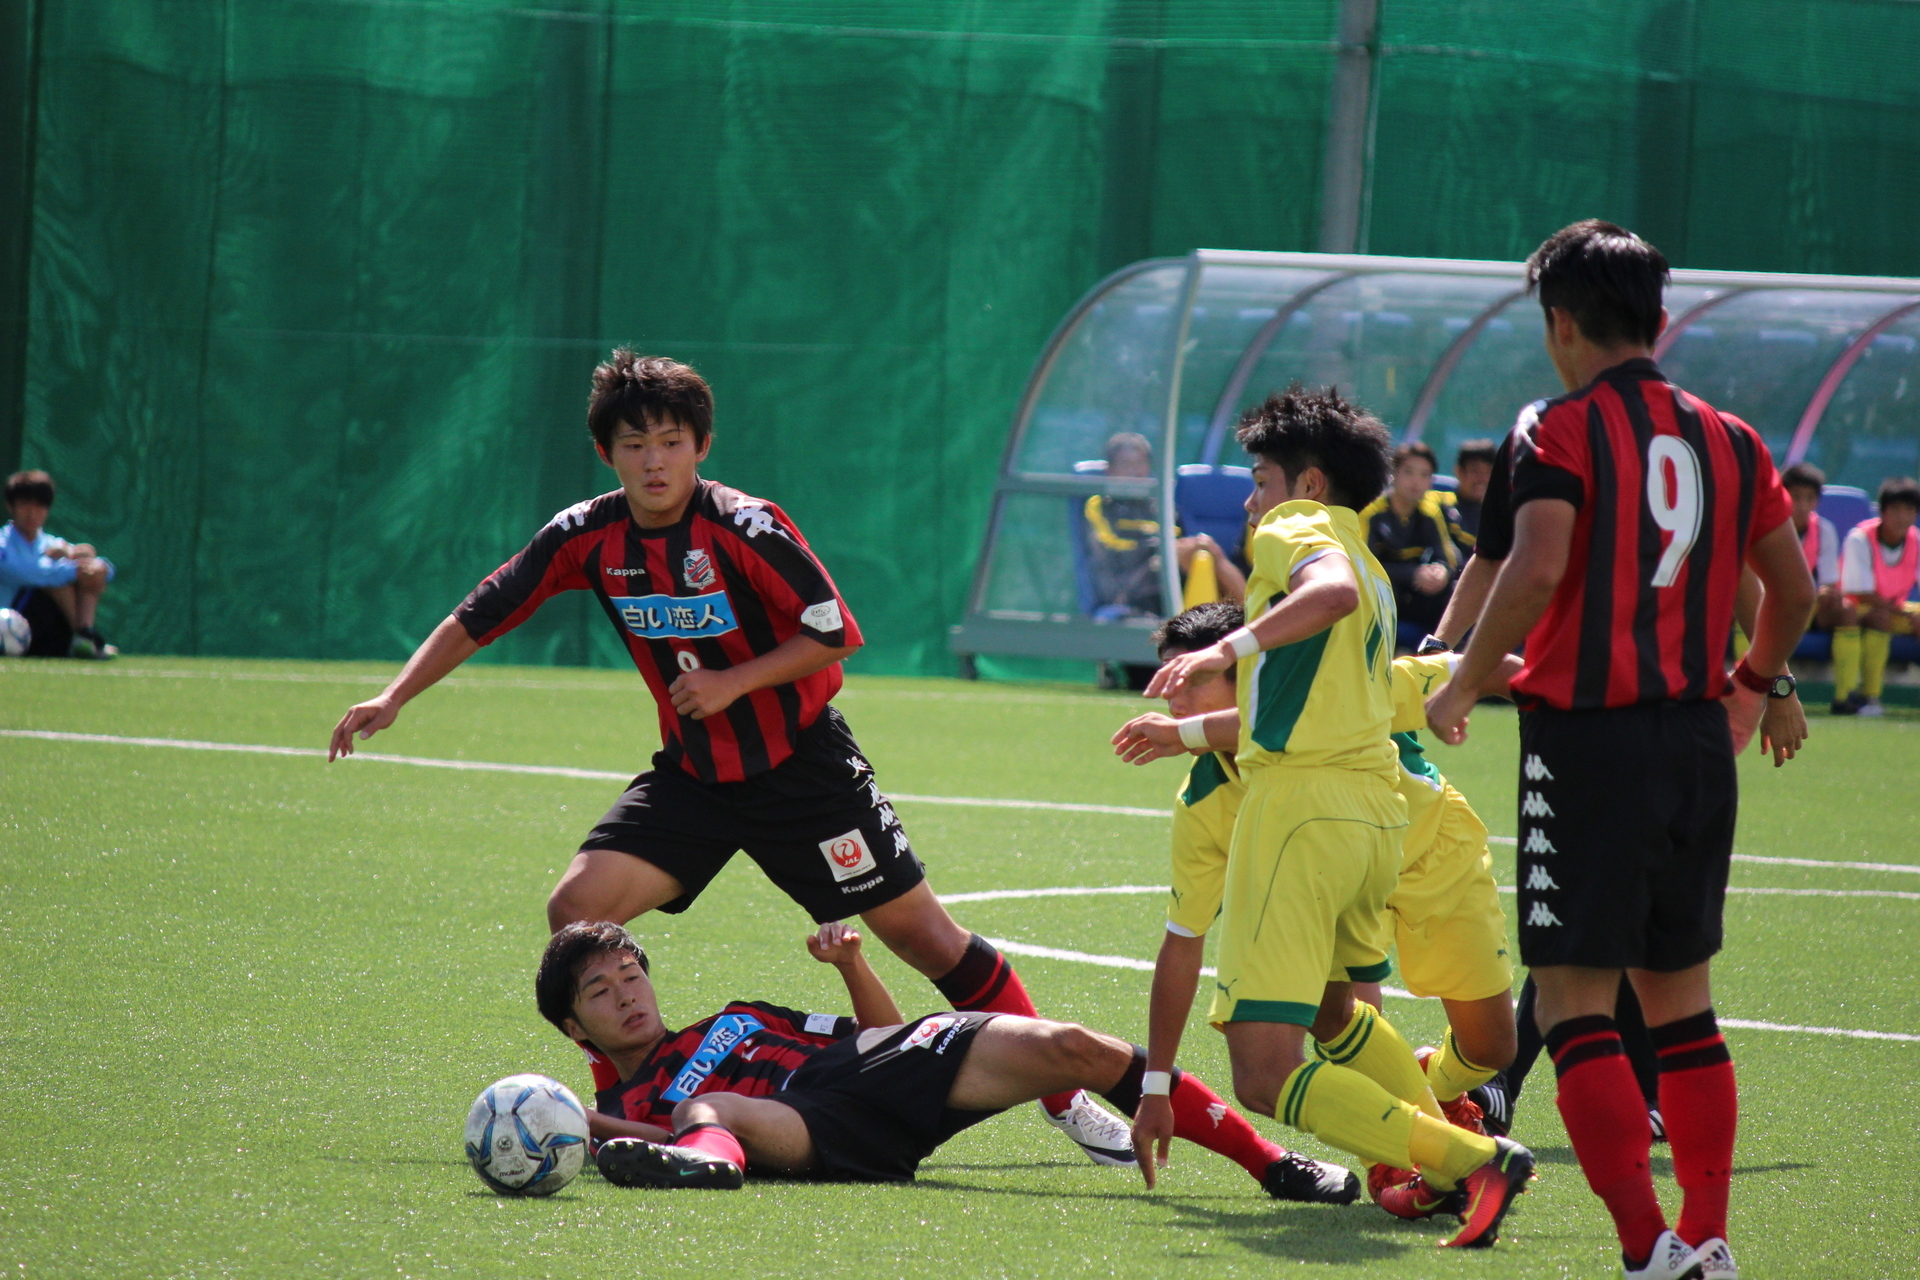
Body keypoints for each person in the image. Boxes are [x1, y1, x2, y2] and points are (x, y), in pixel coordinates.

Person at [329, 351, 1133, 1164]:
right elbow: (487, 607)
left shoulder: (746, 524)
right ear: (606, 453)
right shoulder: (586, 534)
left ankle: (1067, 1101)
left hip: (804, 775)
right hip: (696, 781)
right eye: (635, 443)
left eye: (671, 441)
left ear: (700, 446)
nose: (653, 460)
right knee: (576, 911)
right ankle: (619, 1097)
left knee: (927, 941)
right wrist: (396, 695)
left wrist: (732, 682)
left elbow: (833, 631)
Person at [1424, 220, 1814, 1280]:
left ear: (1559, 323)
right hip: (1695, 736)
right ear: (1660, 320)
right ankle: (1713, 1235)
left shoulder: (1553, 426)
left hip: (1588, 744)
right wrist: (1752, 684)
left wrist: (1462, 677)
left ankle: (1648, 1249)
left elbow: (1539, 563)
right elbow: (1796, 588)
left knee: (1575, 997)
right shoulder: (1731, 436)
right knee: (1681, 1001)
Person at [1142, 384, 1535, 1250]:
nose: (1251, 501)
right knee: (1333, 1010)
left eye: (1260, 479)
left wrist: (1225, 644)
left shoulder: (1297, 532)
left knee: (1261, 1068)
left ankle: (1471, 1159)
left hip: (1301, 808)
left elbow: (1325, 598)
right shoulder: (1365, 550)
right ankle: (1444, 1148)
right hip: (1373, 815)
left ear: (1309, 483)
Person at [1114, 604, 1524, 1222]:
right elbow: (1182, 940)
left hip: (1435, 857)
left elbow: (1479, 667)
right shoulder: (1203, 802)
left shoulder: (1334, 695)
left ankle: (1434, 1114)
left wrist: (1585, 705)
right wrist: (1154, 1085)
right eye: (1167, 678)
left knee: (1492, 1047)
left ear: (1249, 674)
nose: (1175, 697)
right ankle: (1443, 1150)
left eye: (1194, 677)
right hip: (1335, 879)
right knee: (1335, 1020)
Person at [541, 918, 1345, 1198]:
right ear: (578, 1032)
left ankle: (1274, 1165)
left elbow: (882, 1036)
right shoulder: (632, 1111)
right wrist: (580, 1121)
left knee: (1078, 1048)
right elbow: (616, 1128)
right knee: (701, 1113)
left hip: (867, 1069)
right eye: (601, 994)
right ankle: (708, 1165)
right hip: (799, 1127)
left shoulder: (736, 1016)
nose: (627, 993)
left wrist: (853, 966)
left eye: (630, 973)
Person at [1083, 431, 1245, 618]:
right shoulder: (1098, 504)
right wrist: (1166, 550)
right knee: (1197, 552)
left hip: (1166, 573)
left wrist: (1181, 549)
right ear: (1109, 471)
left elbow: (1179, 536)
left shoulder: (1160, 505)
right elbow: (1110, 547)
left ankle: (1241, 617)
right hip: (1128, 582)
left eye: (1140, 463)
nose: (1134, 471)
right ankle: (1243, 617)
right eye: (1125, 464)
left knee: (1205, 551)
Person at [1, 470, 117, 659]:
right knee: (59, 580)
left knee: (84, 572)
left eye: (40, 506)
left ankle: (84, 636)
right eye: (24, 505)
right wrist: (75, 566)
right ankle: (83, 638)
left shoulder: (50, 543)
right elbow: (36, 574)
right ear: (11, 507)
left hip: (48, 628)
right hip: (12, 624)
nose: (32, 513)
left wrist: (94, 565)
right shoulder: (3, 544)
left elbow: (106, 571)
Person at [1829, 476, 1920, 717]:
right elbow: (1859, 592)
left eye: (1909, 510)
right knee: (1879, 617)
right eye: (1896, 509)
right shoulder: (1860, 538)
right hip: (1855, 608)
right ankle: (1851, 696)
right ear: (1882, 511)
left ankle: (1869, 699)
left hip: (1893, 608)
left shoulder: (1916, 541)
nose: (1903, 517)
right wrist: (1903, 612)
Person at [1362, 442, 1465, 651]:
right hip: (1384, 593)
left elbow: (1448, 557)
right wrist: (1412, 574)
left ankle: (1446, 657)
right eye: (1408, 472)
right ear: (1394, 474)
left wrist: (1440, 572)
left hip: (1418, 594)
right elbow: (1362, 566)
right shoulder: (1372, 512)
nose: (1416, 481)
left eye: (1424, 475)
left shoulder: (1430, 511)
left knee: (1456, 593)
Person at [1451, 440, 1498, 555]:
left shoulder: (1500, 514)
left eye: (1488, 472)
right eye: (1475, 471)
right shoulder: (1442, 508)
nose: (1482, 479)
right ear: (1459, 471)